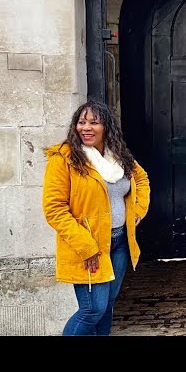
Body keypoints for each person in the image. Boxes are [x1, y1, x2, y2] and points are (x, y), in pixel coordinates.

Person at [42, 100, 150, 336]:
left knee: (106, 308)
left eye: (94, 122)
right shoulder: (64, 159)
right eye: (81, 122)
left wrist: (138, 210)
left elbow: (141, 180)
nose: (86, 128)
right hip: (89, 247)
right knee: (92, 310)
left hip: (120, 243)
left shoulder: (118, 157)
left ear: (107, 127)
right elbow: (54, 209)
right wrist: (87, 247)